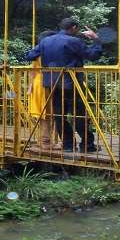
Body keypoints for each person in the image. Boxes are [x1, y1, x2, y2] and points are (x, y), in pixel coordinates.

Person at [25, 18, 102, 153]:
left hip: (52, 84)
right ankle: (87, 146)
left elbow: (30, 55)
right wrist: (96, 40)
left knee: (59, 115)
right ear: (73, 28)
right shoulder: (74, 41)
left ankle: (67, 145)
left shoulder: (45, 41)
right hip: (71, 84)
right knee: (79, 115)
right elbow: (93, 55)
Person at [27, 30, 61, 151]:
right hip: (46, 83)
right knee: (47, 113)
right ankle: (45, 142)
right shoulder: (51, 51)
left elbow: (33, 69)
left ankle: (45, 141)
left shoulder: (38, 51)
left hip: (40, 82)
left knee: (46, 113)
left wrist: (30, 86)